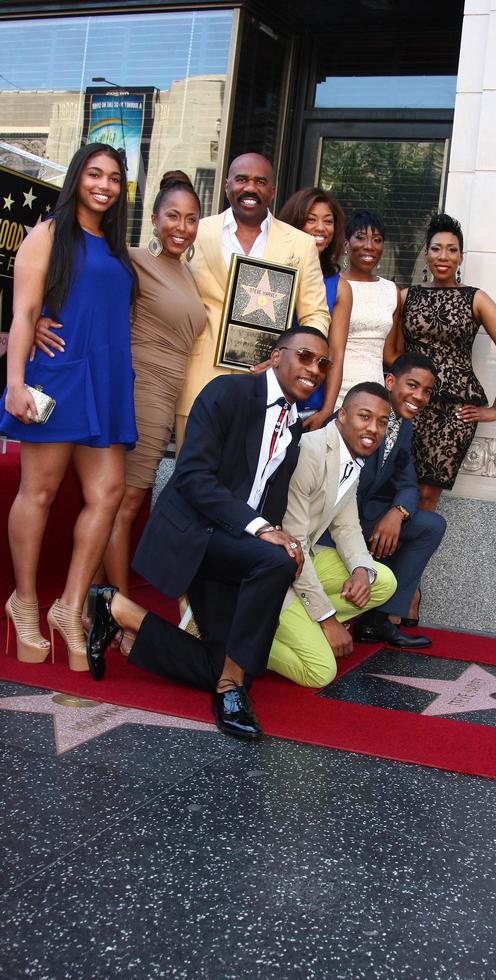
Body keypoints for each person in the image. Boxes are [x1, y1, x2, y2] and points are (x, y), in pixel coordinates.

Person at [85, 327, 331, 741]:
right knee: (276, 564)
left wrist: (277, 532)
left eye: (323, 364)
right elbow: (193, 476)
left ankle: (121, 612)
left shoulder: (291, 429)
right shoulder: (229, 393)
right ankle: (229, 691)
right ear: (276, 356)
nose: (314, 369)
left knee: (231, 660)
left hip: (230, 545)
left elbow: (268, 502)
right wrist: (263, 531)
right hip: (192, 534)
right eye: (305, 356)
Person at [32, 172, 207, 644]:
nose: (182, 226)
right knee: (124, 504)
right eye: (172, 215)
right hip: (138, 388)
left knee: (126, 503)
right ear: (154, 219)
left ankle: (92, 602)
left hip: (170, 394)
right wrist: (38, 319)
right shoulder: (128, 258)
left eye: (192, 219)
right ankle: (118, 612)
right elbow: (69, 268)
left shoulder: (188, 274)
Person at [0, 143, 136, 671]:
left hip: (104, 381)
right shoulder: (48, 232)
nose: (104, 184)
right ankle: (25, 602)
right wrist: (14, 382)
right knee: (39, 491)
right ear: (77, 177)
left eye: (115, 178)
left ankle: (70, 606)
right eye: (94, 173)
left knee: (108, 493)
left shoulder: (119, 245)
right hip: (57, 377)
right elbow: (25, 309)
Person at [175, 153, 331, 447]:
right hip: (198, 378)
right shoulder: (196, 231)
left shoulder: (300, 243)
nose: (250, 188)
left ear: (272, 191)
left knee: (250, 485)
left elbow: (316, 316)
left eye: (260, 182)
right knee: (190, 479)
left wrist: (288, 358)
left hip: (269, 385)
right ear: (226, 185)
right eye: (242, 179)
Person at [386, 212, 496, 512]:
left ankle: (409, 557)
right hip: (410, 406)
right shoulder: (406, 296)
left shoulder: (476, 298)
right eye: (436, 248)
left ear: (461, 257)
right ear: (426, 254)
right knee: (392, 488)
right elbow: (392, 355)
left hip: (453, 415)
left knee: (425, 497)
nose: (443, 256)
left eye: (452, 249)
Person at [267, 383, 397, 688]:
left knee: (382, 581)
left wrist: (361, 570)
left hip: (303, 559)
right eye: (365, 417)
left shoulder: (351, 455)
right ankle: (230, 634)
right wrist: (327, 620)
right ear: (341, 415)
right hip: (276, 570)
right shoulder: (311, 451)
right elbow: (293, 543)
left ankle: (304, 621)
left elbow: (347, 527)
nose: (373, 428)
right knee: (320, 672)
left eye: (381, 422)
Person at [352, 353, 446, 648]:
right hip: (335, 522)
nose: (419, 397)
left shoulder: (404, 427)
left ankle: (377, 620)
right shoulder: (359, 412)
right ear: (390, 381)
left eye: (427, 391)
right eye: (413, 385)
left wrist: (398, 512)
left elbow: (408, 483)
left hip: (368, 515)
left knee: (431, 525)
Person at [277, 187, 351, 430]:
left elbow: (336, 354)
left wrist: (327, 410)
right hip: (270, 393)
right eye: (311, 219)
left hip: (310, 405)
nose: (321, 228)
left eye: (328, 221)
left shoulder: (340, 287)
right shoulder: (275, 271)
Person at [336, 210, 400, 407]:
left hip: (374, 393)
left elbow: (389, 356)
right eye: (361, 238)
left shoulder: (391, 290)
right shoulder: (332, 284)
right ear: (346, 244)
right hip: (334, 392)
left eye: (377, 239)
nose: (369, 246)